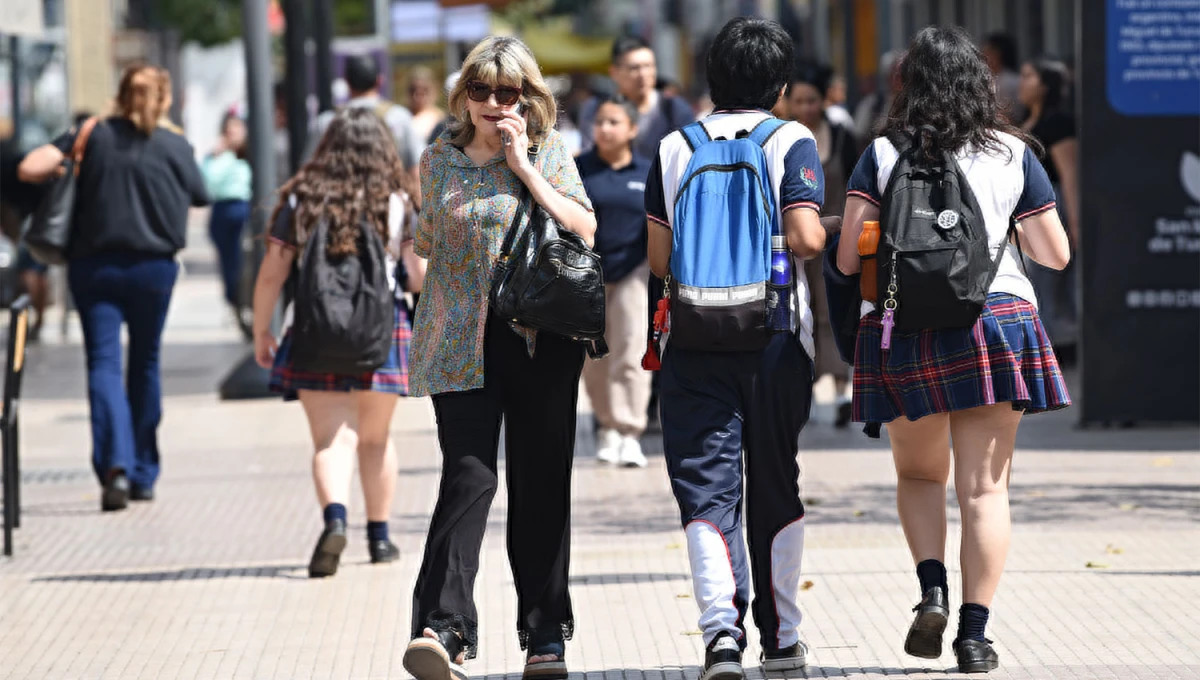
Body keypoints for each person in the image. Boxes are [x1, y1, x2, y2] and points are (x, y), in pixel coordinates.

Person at [837, 27, 1071, 674]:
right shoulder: (1012, 152)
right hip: (997, 319)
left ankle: (931, 591)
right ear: (981, 83)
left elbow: (845, 253)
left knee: (918, 476)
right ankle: (973, 637)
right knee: (984, 491)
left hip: (904, 324)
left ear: (907, 84)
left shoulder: (882, 154)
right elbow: (1056, 253)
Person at [401, 36, 596, 680]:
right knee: (468, 476)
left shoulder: (549, 153)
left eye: (506, 92)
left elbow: (583, 228)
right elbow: (426, 241)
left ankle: (544, 633)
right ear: (463, 97)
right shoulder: (439, 160)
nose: (491, 103)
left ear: (528, 97)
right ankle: (443, 628)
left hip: (541, 339)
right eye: (480, 91)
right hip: (460, 341)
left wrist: (524, 169)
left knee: (541, 482)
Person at [645, 17, 829, 678]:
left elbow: (659, 256)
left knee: (706, 491)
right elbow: (806, 241)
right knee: (776, 484)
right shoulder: (792, 139)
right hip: (775, 337)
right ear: (780, 86)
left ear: (711, 79)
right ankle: (781, 641)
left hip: (693, 340)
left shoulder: (673, 147)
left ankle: (721, 634)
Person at [18, 65, 209, 511]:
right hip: (154, 270)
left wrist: (69, 149)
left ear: (120, 95)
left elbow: (30, 167)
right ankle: (144, 473)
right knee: (145, 363)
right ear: (163, 99)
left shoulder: (92, 134)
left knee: (103, 363)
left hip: (94, 268)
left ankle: (115, 470)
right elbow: (200, 194)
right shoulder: (174, 144)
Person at [252, 107, 421, 578]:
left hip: (314, 329)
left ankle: (335, 520)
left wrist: (261, 330)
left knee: (331, 440)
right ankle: (381, 538)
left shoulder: (300, 199)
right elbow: (417, 276)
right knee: (375, 439)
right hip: (382, 329)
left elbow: (272, 274)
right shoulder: (397, 201)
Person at [576, 95, 653, 467]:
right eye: (600, 122)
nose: (604, 129)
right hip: (587, 275)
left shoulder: (646, 171)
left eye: (613, 122)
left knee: (632, 351)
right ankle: (606, 426)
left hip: (634, 273)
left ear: (632, 129)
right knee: (596, 357)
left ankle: (630, 431)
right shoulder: (578, 170)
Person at [786, 64, 858, 427]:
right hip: (798, 238)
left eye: (811, 100)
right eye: (797, 100)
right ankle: (808, 390)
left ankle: (844, 389)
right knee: (803, 310)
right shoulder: (782, 138)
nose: (806, 107)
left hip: (839, 238)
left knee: (836, 309)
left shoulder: (844, 135)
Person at [1018, 57, 1079, 357]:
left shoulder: (1059, 124)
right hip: (1025, 210)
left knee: (1049, 279)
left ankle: (1056, 344)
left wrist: (1075, 224)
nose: (1022, 82)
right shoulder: (1023, 120)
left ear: (1045, 85)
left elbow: (1069, 177)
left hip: (1052, 208)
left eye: (1029, 76)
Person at [305, 55, 421, 186]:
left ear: (347, 82)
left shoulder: (327, 122)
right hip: (389, 199)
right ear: (380, 81)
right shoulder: (399, 117)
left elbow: (309, 170)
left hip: (339, 201)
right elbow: (416, 168)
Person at [577, 35, 696, 159]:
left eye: (648, 66)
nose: (643, 74)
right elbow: (588, 153)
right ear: (614, 72)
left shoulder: (675, 109)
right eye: (634, 68)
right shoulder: (596, 109)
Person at [202, 112, 252, 314]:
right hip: (223, 208)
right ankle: (234, 299)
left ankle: (243, 299)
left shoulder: (249, 153)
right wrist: (217, 155)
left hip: (244, 207)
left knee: (243, 259)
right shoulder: (217, 157)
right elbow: (208, 181)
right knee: (229, 261)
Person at [853, 50, 904, 144]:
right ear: (887, 76)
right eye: (895, 74)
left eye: (903, 74)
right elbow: (858, 137)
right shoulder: (871, 104)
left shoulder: (918, 106)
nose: (899, 79)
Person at [983, 33, 1027, 124]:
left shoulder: (1010, 81)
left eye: (988, 52)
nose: (983, 56)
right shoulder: (985, 79)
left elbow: (1009, 116)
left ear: (999, 54)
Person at [407, 66, 445, 148]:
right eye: (413, 90)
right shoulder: (403, 116)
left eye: (425, 91)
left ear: (435, 90)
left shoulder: (442, 119)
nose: (418, 96)